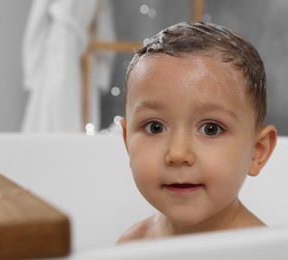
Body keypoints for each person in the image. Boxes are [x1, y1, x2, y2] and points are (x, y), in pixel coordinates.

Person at [118, 21, 277, 243]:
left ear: (257, 151)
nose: (178, 154)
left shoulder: (270, 252)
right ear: (126, 142)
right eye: (155, 127)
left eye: (210, 129)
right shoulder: (131, 246)